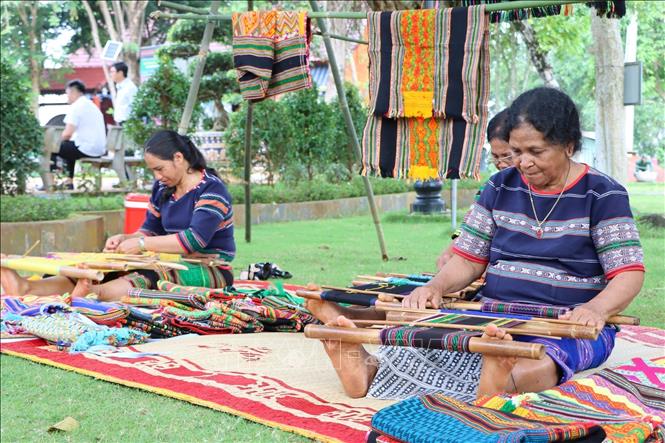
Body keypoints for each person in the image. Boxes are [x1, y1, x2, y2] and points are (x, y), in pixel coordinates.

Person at [307, 87, 645, 401]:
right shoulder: (500, 185)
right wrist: (435, 287)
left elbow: (628, 274)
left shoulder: (602, 194)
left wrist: (596, 310)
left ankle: (499, 377)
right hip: (494, 314)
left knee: (541, 364)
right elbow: (469, 259)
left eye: (535, 151)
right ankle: (365, 367)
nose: (523, 162)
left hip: (567, 323)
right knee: (429, 342)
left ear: (568, 145)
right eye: (515, 152)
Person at [2, 130, 235, 301]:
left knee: (148, 274)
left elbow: (194, 240)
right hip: (167, 260)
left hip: (211, 269)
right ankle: (26, 288)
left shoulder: (211, 190)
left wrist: (142, 244)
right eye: (153, 170)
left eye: (159, 169)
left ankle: (92, 294)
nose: (157, 177)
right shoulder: (164, 189)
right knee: (98, 267)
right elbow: (150, 229)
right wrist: (126, 239)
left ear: (178, 158)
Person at [436, 109, 511, 269]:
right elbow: (467, 226)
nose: (501, 164)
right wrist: (450, 250)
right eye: (496, 157)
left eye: (507, 156)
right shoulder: (490, 188)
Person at [50, 79, 106, 190]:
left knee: (51, 148)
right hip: (99, 150)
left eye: (68, 94)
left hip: (86, 148)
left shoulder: (76, 107)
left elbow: (67, 134)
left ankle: (50, 183)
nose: (67, 97)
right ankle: (69, 182)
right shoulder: (91, 105)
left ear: (74, 92)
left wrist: (55, 142)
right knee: (68, 147)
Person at [109, 61, 137, 126]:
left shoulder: (130, 88)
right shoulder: (120, 87)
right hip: (121, 123)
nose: (111, 74)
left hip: (129, 124)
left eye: (112, 72)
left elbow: (135, 107)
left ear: (120, 73)